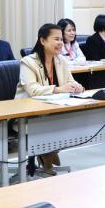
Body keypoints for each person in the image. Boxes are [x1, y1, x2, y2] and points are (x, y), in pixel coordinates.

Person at [19, 24, 85, 175]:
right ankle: (47, 154)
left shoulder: (61, 60)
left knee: (68, 119)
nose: (60, 43)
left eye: (61, 39)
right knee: (53, 122)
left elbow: (70, 81)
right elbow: (33, 90)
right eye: (56, 39)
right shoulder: (28, 62)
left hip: (53, 109)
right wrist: (58, 89)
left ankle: (48, 153)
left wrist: (77, 87)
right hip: (28, 113)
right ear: (43, 40)